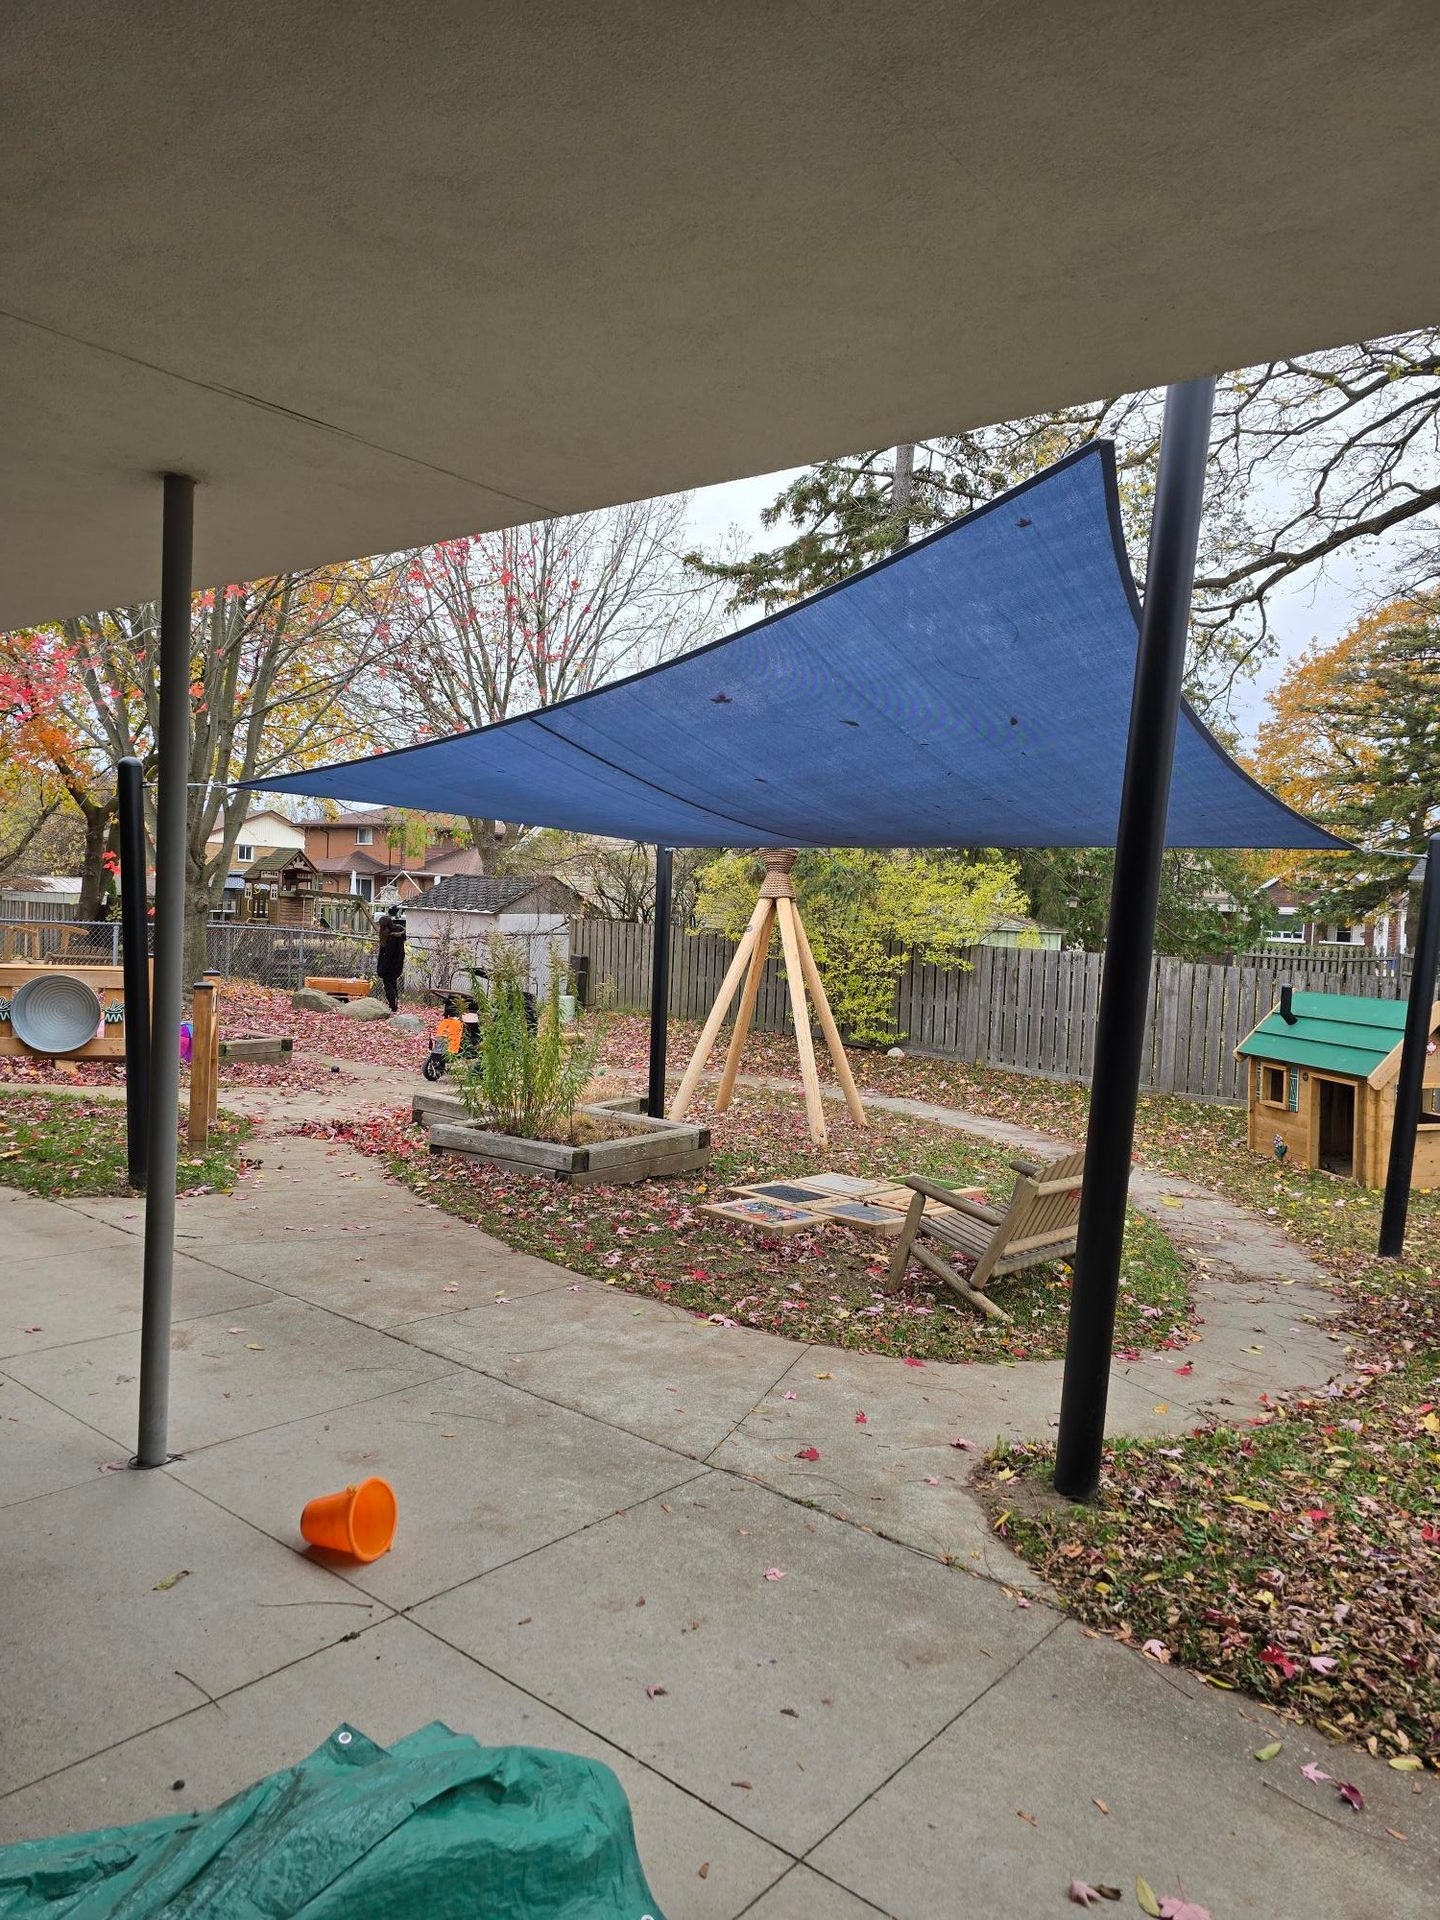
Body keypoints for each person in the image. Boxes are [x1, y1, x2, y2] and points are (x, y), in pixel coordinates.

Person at [375, 905, 407, 1011]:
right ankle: (394, 1003)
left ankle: (392, 1005)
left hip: (390, 967)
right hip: (397, 965)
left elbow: (388, 956)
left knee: (389, 986)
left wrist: (382, 969)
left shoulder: (391, 938)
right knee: (393, 984)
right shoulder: (398, 935)